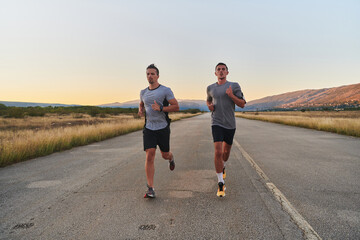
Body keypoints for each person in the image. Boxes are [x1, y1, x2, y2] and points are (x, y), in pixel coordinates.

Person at [138, 64, 179, 198]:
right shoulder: (143, 92)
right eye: (148, 74)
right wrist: (140, 109)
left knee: (164, 154)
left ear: (158, 76)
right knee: (150, 154)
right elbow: (142, 102)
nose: (150, 76)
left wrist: (161, 109)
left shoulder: (165, 90)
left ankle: (171, 158)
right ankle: (150, 188)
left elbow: (176, 106)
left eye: (152, 74)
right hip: (149, 128)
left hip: (162, 128)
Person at [206, 62, 246, 197]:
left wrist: (231, 95)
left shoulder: (234, 86)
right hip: (216, 122)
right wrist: (209, 105)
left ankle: (222, 166)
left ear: (227, 72)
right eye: (219, 69)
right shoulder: (210, 88)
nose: (221, 71)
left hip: (230, 124)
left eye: (223, 69)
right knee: (217, 152)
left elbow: (242, 104)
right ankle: (220, 183)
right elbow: (208, 100)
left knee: (225, 154)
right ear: (215, 73)